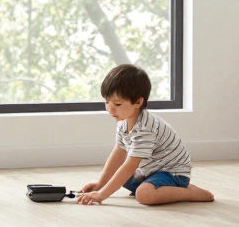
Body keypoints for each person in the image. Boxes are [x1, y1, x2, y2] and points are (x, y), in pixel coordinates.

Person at [78, 64, 214, 206]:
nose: (110, 109)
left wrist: (101, 195)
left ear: (138, 102)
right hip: (149, 171)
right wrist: (100, 185)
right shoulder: (123, 123)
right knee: (119, 174)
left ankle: (188, 192)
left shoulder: (146, 128)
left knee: (144, 195)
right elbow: (118, 154)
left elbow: (129, 166)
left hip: (172, 173)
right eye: (107, 102)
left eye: (117, 104)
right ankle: (158, 187)